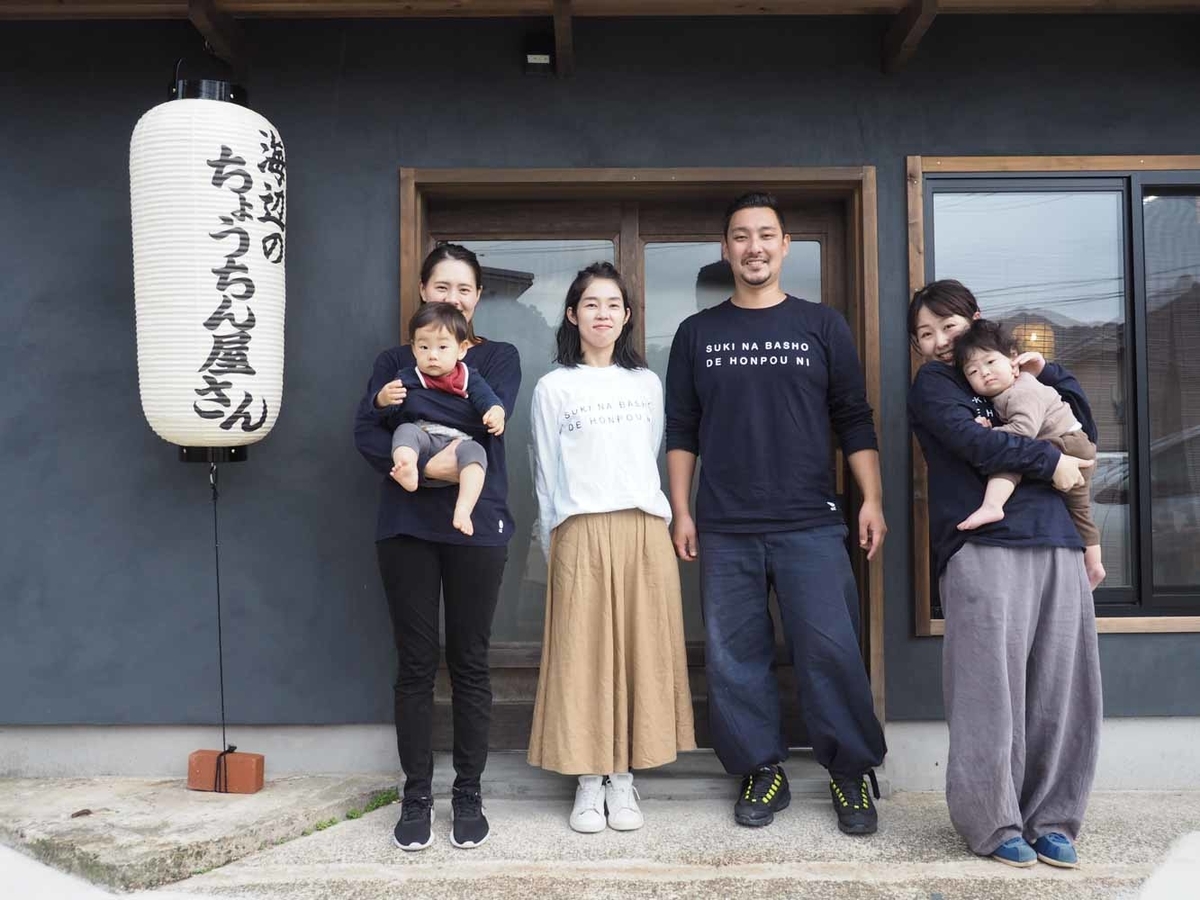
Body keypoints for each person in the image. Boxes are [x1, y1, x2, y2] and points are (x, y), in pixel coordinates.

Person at [665, 192, 887, 835]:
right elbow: (683, 427)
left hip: (812, 521)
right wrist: (682, 510)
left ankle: (850, 772)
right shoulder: (697, 333)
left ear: (785, 246)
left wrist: (870, 498)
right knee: (735, 658)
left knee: (830, 650)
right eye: (740, 236)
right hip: (726, 524)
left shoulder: (822, 325)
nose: (753, 247)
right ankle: (761, 769)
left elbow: (854, 418)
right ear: (726, 248)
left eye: (766, 235)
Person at [907, 279, 1101, 869]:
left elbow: (1082, 434)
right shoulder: (936, 387)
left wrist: (1042, 372)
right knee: (988, 693)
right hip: (982, 544)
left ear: (977, 321)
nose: (940, 342)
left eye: (949, 326)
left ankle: (1054, 819)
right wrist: (1052, 463)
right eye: (925, 334)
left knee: (1061, 693)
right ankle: (992, 823)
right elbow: (976, 445)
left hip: (1058, 542)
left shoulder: (1020, 373)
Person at [354, 243, 521, 852]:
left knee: (470, 661)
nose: (453, 297)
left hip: (477, 524)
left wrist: (420, 454)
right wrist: (429, 469)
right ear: (423, 290)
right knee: (416, 664)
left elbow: (487, 428)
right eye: (442, 287)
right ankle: (417, 793)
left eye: (465, 289)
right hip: (405, 526)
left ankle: (469, 791)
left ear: (478, 298)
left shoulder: (498, 358)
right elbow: (365, 431)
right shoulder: (394, 361)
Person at [527, 262, 695, 834]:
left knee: (640, 652)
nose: (603, 313)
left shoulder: (645, 383)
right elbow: (545, 473)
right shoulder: (554, 387)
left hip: (642, 528)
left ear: (626, 317)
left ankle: (624, 780)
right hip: (580, 527)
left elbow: (649, 456)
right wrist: (553, 542)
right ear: (572, 315)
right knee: (583, 657)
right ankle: (587, 781)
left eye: (613, 305)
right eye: (591, 304)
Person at [953, 319, 1105, 589]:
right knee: (1080, 510)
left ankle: (992, 506)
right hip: (1073, 443)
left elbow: (1024, 430)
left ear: (1013, 359)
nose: (984, 373)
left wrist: (990, 434)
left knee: (1011, 459)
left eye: (990, 363)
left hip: (1068, 443)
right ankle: (1095, 567)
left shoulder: (1023, 389)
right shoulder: (1006, 393)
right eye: (973, 371)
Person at [383, 302, 507, 536]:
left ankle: (463, 508)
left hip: (459, 443)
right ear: (413, 349)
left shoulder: (469, 377)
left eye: (442, 347)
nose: (432, 356)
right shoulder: (409, 376)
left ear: (461, 350)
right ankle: (407, 468)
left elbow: (486, 398)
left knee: (477, 453)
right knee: (405, 431)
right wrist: (383, 399)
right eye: (424, 347)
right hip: (424, 439)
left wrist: (495, 411)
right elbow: (389, 415)